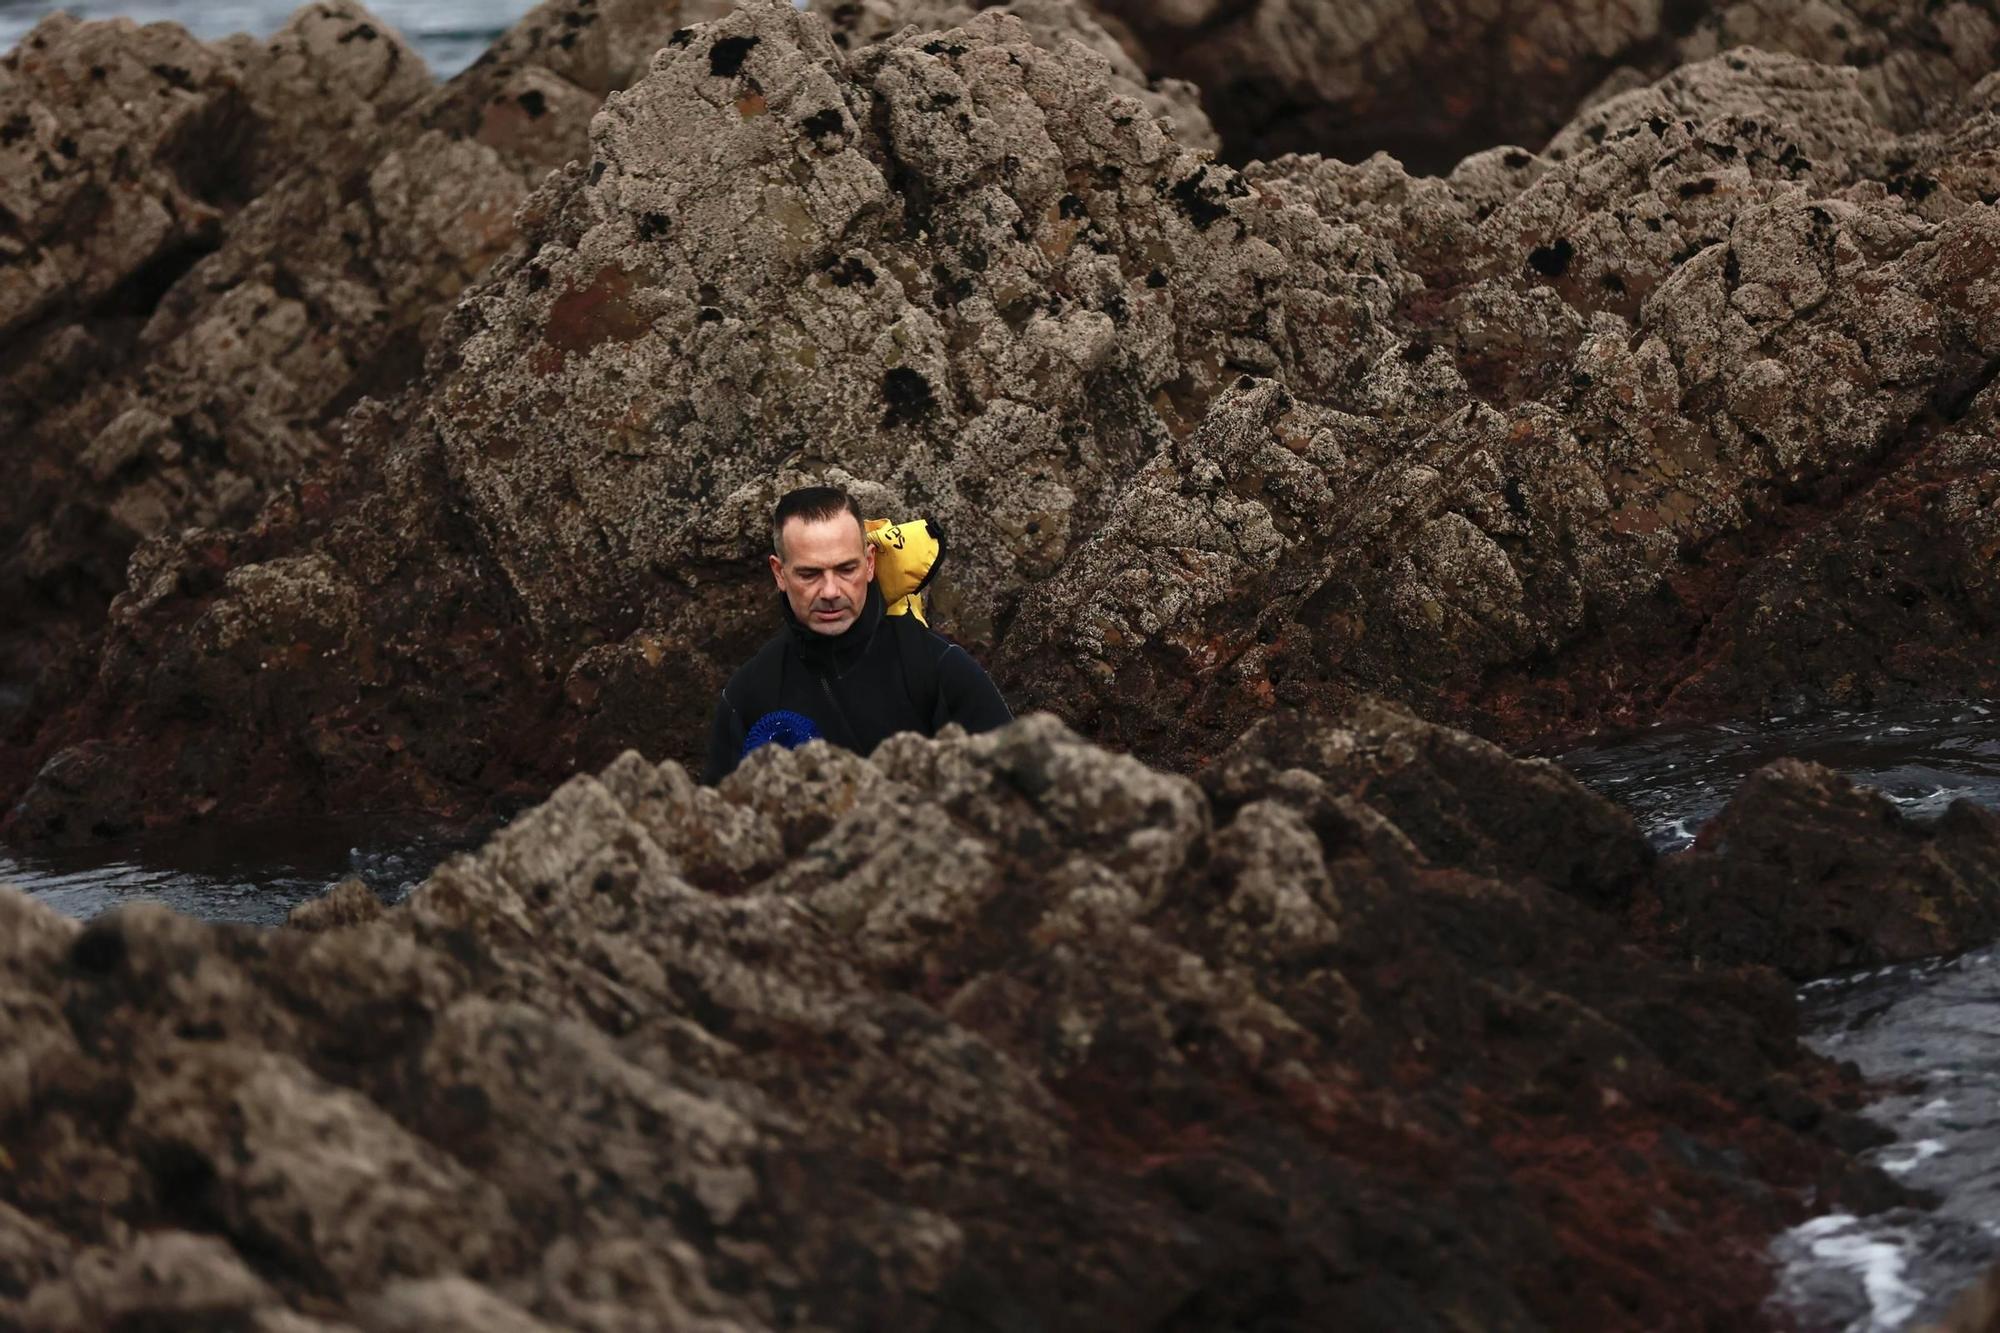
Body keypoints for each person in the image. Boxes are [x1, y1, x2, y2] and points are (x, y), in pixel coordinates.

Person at [702, 485, 1012, 784]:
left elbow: (1017, 792)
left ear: (869, 563)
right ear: (780, 573)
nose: (830, 591)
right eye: (810, 574)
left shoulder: (938, 668)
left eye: (846, 569)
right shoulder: (748, 695)